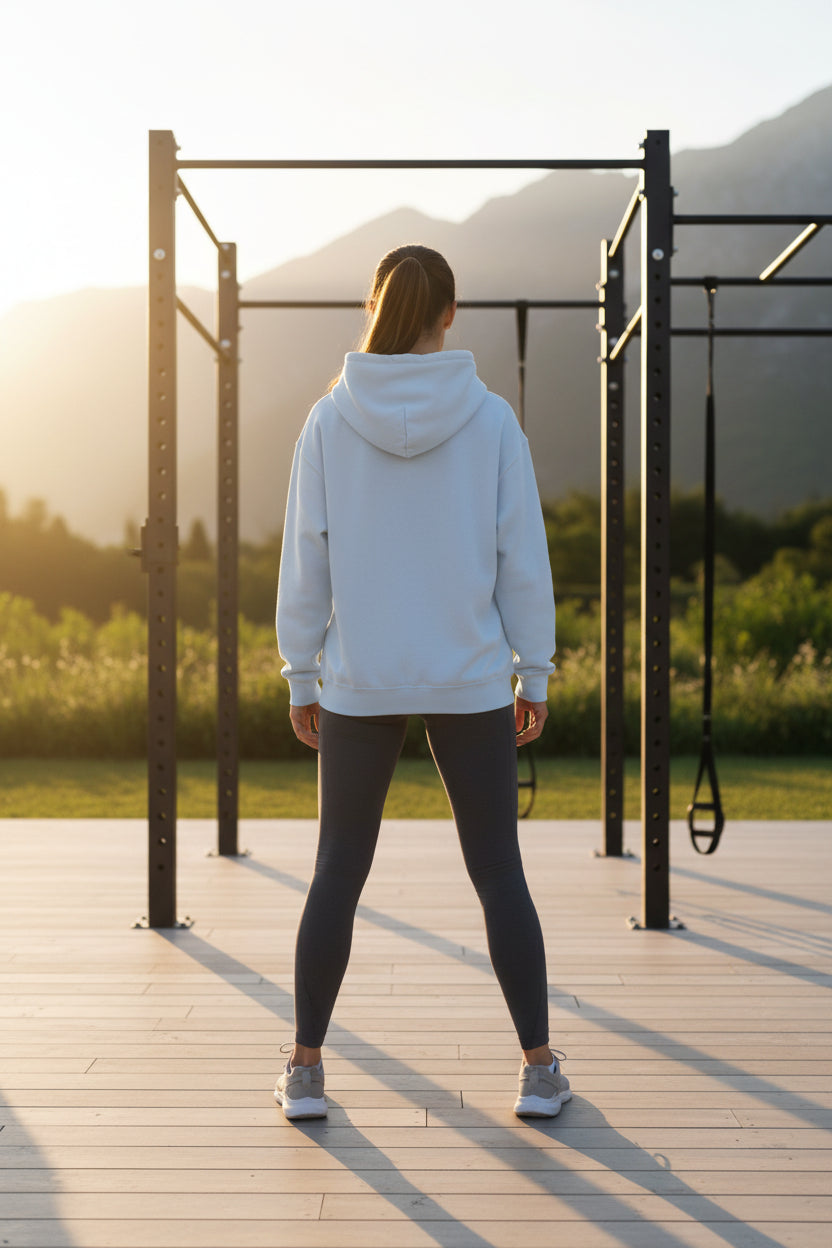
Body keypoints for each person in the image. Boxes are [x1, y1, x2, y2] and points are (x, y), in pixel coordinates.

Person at [274, 243, 569, 1122]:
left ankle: (304, 1072)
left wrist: (301, 674)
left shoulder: (329, 420)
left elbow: (305, 560)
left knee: (336, 873)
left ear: (376, 309)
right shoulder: (492, 421)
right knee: (499, 875)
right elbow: (523, 557)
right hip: (472, 677)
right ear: (450, 315)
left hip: (359, 681)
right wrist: (536, 667)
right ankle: (540, 1070)